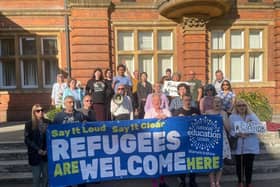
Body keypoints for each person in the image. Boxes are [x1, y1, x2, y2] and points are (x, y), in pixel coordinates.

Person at [53, 96, 85, 187]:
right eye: (69, 102)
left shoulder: (79, 115)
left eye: (73, 102)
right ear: (65, 104)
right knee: (66, 170)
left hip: (78, 148)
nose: (72, 104)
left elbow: (86, 129)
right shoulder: (59, 117)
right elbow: (53, 132)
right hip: (64, 150)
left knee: (79, 169)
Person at [229, 99, 260, 187]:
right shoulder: (232, 117)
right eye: (239, 105)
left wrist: (248, 132)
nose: (242, 107)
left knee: (249, 165)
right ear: (236, 107)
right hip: (239, 145)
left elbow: (259, 127)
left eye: (243, 105)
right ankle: (240, 182)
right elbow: (230, 130)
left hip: (251, 144)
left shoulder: (252, 115)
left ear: (246, 106)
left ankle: (249, 182)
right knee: (239, 165)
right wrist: (237, 134)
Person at [173, 94, 200, 187]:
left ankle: (192, 180)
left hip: (193, 139)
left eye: (189, 100)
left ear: (191, 100)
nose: (187, 102)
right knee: (182, 160)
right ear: (182, 101)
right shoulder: (177, 111)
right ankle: (182, 181)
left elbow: (202, 123)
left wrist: (198, 117)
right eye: (185, 100)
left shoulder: (195, 110)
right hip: (182, 140)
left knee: (193, 160)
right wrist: (177, 119)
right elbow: (172, 125)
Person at [144, 94, 171, 187]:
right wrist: (155, 119)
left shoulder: (166, 111)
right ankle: (155, 183)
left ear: (161, 101)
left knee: (163, 160)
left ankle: (162, 181)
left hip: (165, 140)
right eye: (155, 101)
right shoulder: (148, 112)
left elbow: (173, 124)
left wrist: (167, 119)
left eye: (158, 100)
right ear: (152, 102)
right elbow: (145, 125)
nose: (157, 102)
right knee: (154, 161)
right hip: (153, 141)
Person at [205, 97, 231, 187]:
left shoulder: (224, 113)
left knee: (220, 161)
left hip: (222, 138)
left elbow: (228, 128)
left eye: (219, 102)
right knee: (210, 161)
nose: (217, 104)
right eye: (215, 102)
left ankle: (217, 182)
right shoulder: (208, 112)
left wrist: (223, 119)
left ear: (221, 104)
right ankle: (212, 182)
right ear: (212, 103)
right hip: (210, 138)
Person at [24, 104, 51, 187]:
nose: (40, 112)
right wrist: (38, 149)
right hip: (35, 155)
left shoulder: (48, 122)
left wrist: (46, 149)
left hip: (46, 155)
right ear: (34, 112)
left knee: (46, 178)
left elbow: (52, 137)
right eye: (38, 111)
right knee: (36, 178)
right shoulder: (29, 124)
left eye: (42, 110)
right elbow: (27, 140)